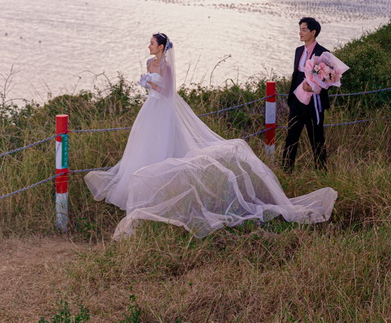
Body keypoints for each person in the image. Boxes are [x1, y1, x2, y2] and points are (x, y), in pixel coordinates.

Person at [85, 33, 337, 239]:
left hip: (163, 109)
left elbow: (167, 90)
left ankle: (164, 185)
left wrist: (149, 84)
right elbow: (154, 88)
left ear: (161, 46)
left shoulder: (165, 66)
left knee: (165, 143)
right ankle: (137, 185)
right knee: (143, 143)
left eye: (152, 43)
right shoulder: (150, 63)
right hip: (150, 109)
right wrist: (147, 83)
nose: (148, 46)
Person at [282, 17, 332, 172]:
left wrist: (315, 89)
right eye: (300, 29)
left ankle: (322, 172)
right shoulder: (298, 51)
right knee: (291, 137)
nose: (300, 33)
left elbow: (329, 80)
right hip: (297, 102)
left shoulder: (323, 53)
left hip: (314, 103)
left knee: (317, 138)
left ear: (313, 32)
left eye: (304, 30)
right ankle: (286, 172)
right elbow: (296, 76)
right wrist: (291, 100)